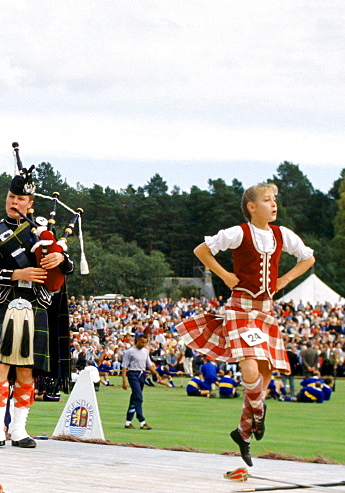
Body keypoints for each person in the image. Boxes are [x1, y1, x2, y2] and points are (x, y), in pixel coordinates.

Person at [176, 183, 315, 466]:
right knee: (250, 367)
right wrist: (225, 274)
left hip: (266, 310)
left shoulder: (282, 234)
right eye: (267, 200)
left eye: (274, 199)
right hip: (241, 307)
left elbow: (308, 258)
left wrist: (285, 280)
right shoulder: (239, 232)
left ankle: (243, 433)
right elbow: (202, 250)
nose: (273, 204)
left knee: (264, 376)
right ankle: (259, 416)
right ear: (252, 207)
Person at [0, 159, 73, 449]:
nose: (13, 203)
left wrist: (60, 260)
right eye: (10, 197)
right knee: (1, 367)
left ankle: (19, 430)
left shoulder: (43, 234)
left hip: (35, 306)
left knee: (27, 371)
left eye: (19, 199)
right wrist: (18, 273)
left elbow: (65, 270)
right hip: (6, 303)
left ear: (30, 204)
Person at [120, 335, 153, 430]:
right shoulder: (130, 351)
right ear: (137, 341)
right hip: (133, 374)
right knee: (139, 397)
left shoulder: (146, 351)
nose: (144, 344)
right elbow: (124, 366)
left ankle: (128, 422)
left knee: (134, 399)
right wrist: (124, 381)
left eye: (145, 342)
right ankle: (142, 421)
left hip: (142, 375)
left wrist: (156, 373)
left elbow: (149, 364)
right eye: (142, 342)